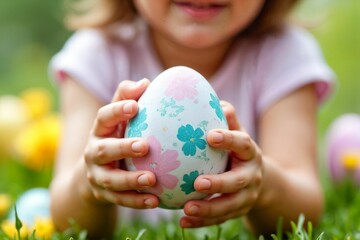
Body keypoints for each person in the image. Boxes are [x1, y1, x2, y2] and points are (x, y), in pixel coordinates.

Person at [49, 0, 335, 239]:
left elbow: (305, 207)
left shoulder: (284, 52)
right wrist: (90, 186)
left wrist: (263, 187)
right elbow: (65, 218)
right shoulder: (97, 53)